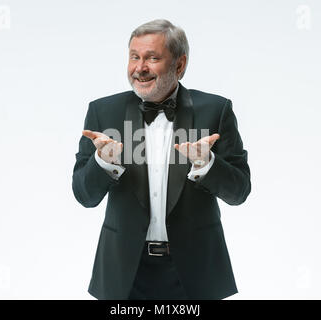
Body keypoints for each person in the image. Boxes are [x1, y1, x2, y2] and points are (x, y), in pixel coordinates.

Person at [72, 19, 251, 300]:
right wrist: (102, 163)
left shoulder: (215, 111)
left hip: (196, 271)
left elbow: (239, 192)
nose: (139, 68)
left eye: (152, 58)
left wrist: (207, 164)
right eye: (134, 57)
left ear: (179, 65)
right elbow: (84, 196)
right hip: (125, 274)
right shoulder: (103, 112)